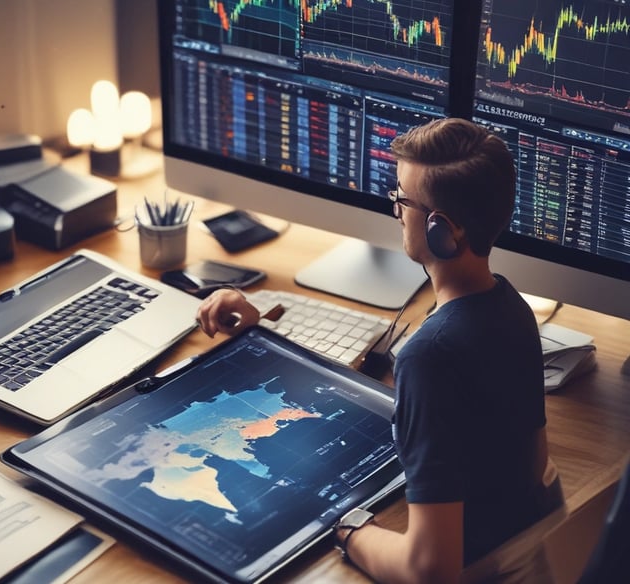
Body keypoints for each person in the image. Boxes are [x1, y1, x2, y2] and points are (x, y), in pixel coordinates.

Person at [196, 118, 564, 583]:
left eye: (402, 200)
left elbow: (431, 570)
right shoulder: (511, 308)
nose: (394, 210)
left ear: (442, 231)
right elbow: (532, 472)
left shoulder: (429, 356)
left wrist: (347, 527)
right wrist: (258, 334)